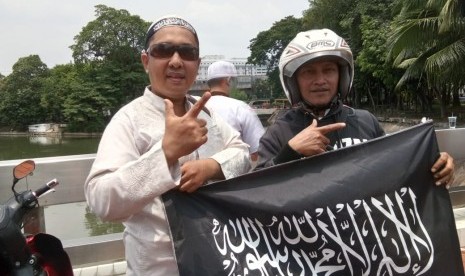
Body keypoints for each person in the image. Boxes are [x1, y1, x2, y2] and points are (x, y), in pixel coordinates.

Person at [84, 15, 251, 275]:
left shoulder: (208, 114)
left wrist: (212, 166)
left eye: (187, 52)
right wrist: (165, 154)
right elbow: (101, 200)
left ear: (197, 64)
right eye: (163, 50)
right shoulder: (129, 120)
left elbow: (243, 154)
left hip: (220, 258)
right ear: (145, 61)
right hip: (159, 267)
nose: (176, 61)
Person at [256, 28, 455, 187]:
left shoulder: (364, 121)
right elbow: (252, 192)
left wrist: (434, 165)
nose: (320, 80)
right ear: (294, 82)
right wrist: (290, 152)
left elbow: (394, 168)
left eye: (329, 70)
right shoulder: (279, 132)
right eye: (308, 72)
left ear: (342, 76)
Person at [206, 60, 265, 161]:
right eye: (235, 81)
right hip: (236, 174)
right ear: (228, 81)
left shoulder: (194, 107)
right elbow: (259, 152)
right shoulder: (240, 108)